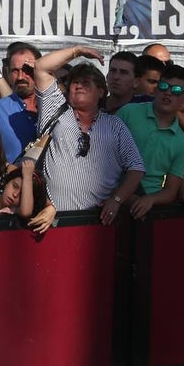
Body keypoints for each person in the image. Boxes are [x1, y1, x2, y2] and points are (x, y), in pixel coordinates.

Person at [26, 45, 144, 233]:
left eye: (86, 82)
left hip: (98, 225)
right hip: (52, 221)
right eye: (75, 83)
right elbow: (40, 66)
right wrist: (77, 51)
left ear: (100, 91)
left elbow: (136, 168)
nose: (79, 86)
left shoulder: (115, 125)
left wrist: (116, 200)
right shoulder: (54, 110)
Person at [115, 65, 184, 219]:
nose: (168, 93)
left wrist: (151, 199)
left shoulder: (181, 142)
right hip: (112, 194)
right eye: (163, 86)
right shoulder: (128, 112)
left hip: (148, 209)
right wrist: (122, 196)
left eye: (176, 90)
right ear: (156, 90)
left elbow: (171, 190)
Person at [0, 40, 41, 161]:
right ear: (8, 73)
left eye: (27, 70)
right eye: (15, 71)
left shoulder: (52, 107)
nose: (21, 77)